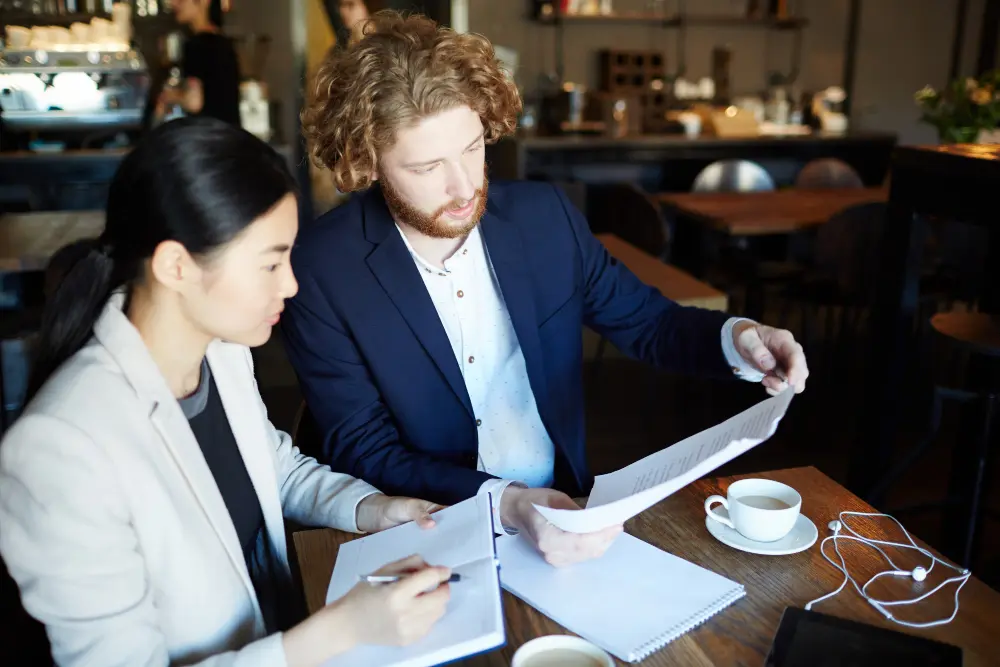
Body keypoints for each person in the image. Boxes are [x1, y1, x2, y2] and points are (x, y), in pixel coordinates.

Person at [286, 11, 809, 568]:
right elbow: (364, 448)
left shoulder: (545, 217)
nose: (464, 187)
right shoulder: (321, 268)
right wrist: (507, 502)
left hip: (564, 511)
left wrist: (742, 338)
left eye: (472, 148)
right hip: (423, 530)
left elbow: (649, 322)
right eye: (427, 167)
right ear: (367, 161)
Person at [0, 117, 452, 666]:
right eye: (270, 263)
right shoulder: (59, 449)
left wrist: (375, 509)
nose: (290, 284)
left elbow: (275, 469)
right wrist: (340, 630)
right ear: (176, 266)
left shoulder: (220, 349)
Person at [160, 0, 241, 125]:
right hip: (229, 132)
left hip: (206, 132)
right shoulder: (224, 43)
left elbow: (193, 102)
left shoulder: (196, 45)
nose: (173, 3)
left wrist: (170, 96)